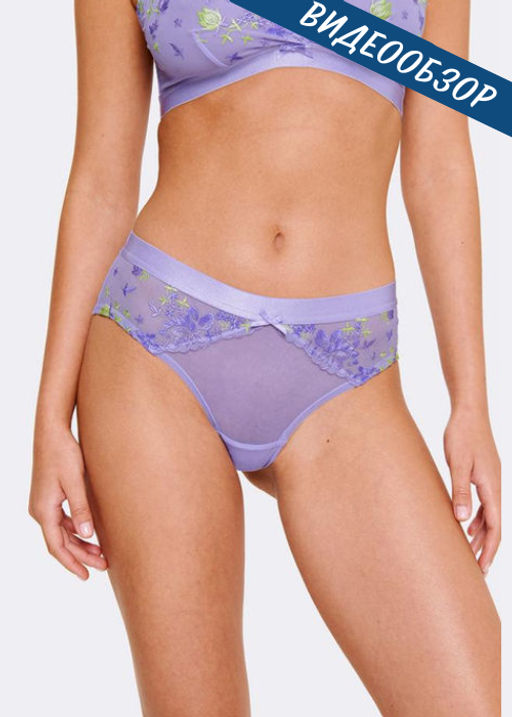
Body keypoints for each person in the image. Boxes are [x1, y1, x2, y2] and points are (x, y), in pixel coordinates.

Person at [29, 1, 501, 714]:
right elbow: (100, 179)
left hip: (346, 365)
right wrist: (49, 418)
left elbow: (441, 166)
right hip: (157, 345)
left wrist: (471, 402)